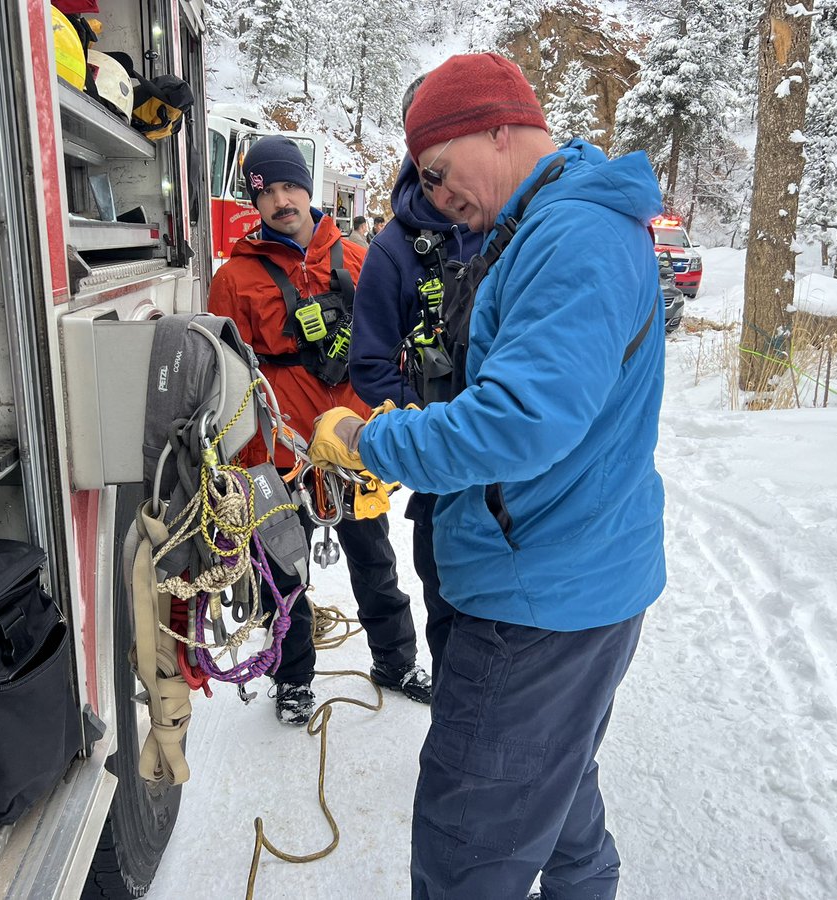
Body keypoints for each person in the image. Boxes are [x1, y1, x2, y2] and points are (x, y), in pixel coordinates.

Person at [309, 53, 666, 899]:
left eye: (436, 171)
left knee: (466, 852)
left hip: (534, 604)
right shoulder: (551, 225)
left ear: (499, 126)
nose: (434, 196)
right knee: (560, 801)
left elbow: (519, 420)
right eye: (422, 182)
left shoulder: (573, 236)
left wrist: (370, 442)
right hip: (563, 586)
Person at [207, 135, 433, 726]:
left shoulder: (360, 259)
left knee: (375, 560)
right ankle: (293, 678)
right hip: (279, 452)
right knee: (285, 571)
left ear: (308, 187)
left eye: (289, 186)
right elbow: (227, 374)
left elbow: (399, 344)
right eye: (267, 192)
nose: (281, 201)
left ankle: (396, 660)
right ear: (253, 202)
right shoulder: (235, 278)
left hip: (352, 445)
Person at [349, 73, 476, 672]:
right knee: (452, 615)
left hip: (520, 479)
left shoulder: (515, 225)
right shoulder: (393, 251)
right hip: (444, 475)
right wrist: (434, 430)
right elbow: (369, 364)